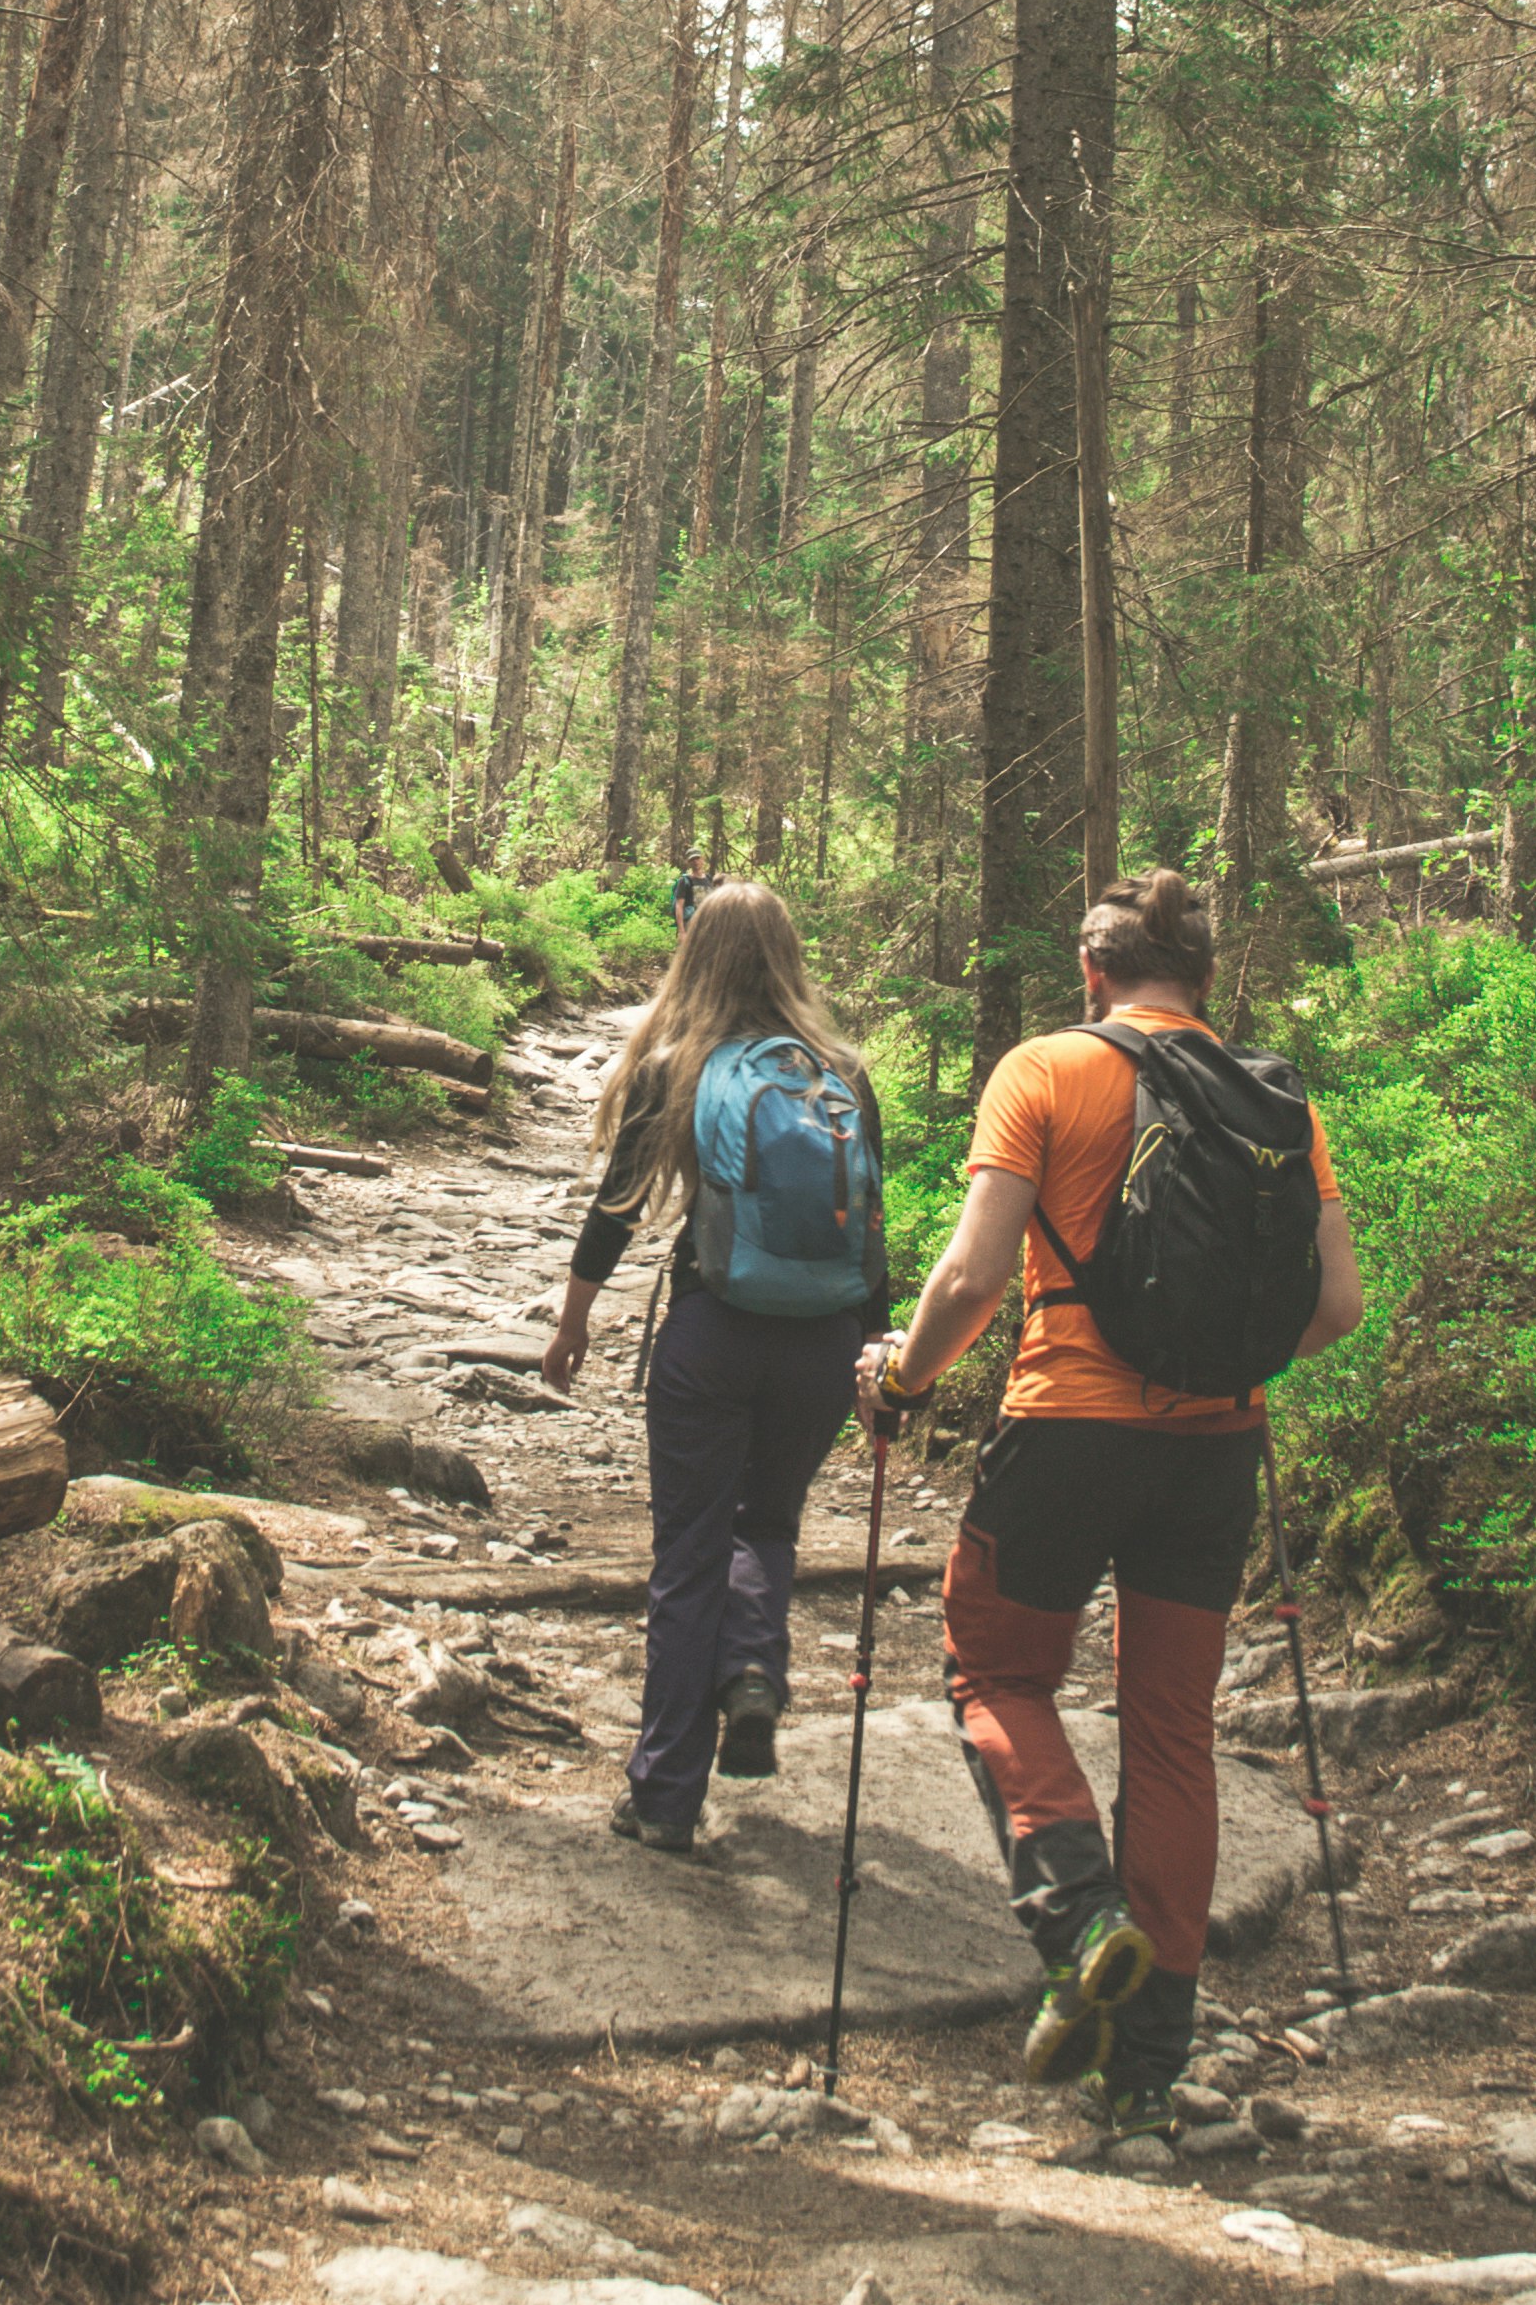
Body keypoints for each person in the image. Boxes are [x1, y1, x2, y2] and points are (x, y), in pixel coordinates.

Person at [854, 867, 1364, 2124]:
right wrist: (1212, 1358)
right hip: (1215, 1449)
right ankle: (1152, 2052)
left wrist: (905, 1382)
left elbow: (975, 1274)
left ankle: (1081, 1918)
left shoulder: (1046, 1069)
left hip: (1068, 1431)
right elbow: (1337, 1310)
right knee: (1172, 1733)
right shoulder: (1278, 1102)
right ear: (1205, 980)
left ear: (1095, 973)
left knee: (997, 1674)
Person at [540, 878, 885, 1850]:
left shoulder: (676, 1064)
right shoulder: (842, 1075)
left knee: (687, 1556)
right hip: (821, 1345)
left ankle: (664, 1796)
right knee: (767, 1522)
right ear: (787, 955)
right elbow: (872, 1238)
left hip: (711, 1335)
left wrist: (571, 1325)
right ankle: (752, 1672)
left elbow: (615, 1211)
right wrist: (876, 1362)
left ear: (698, 955)